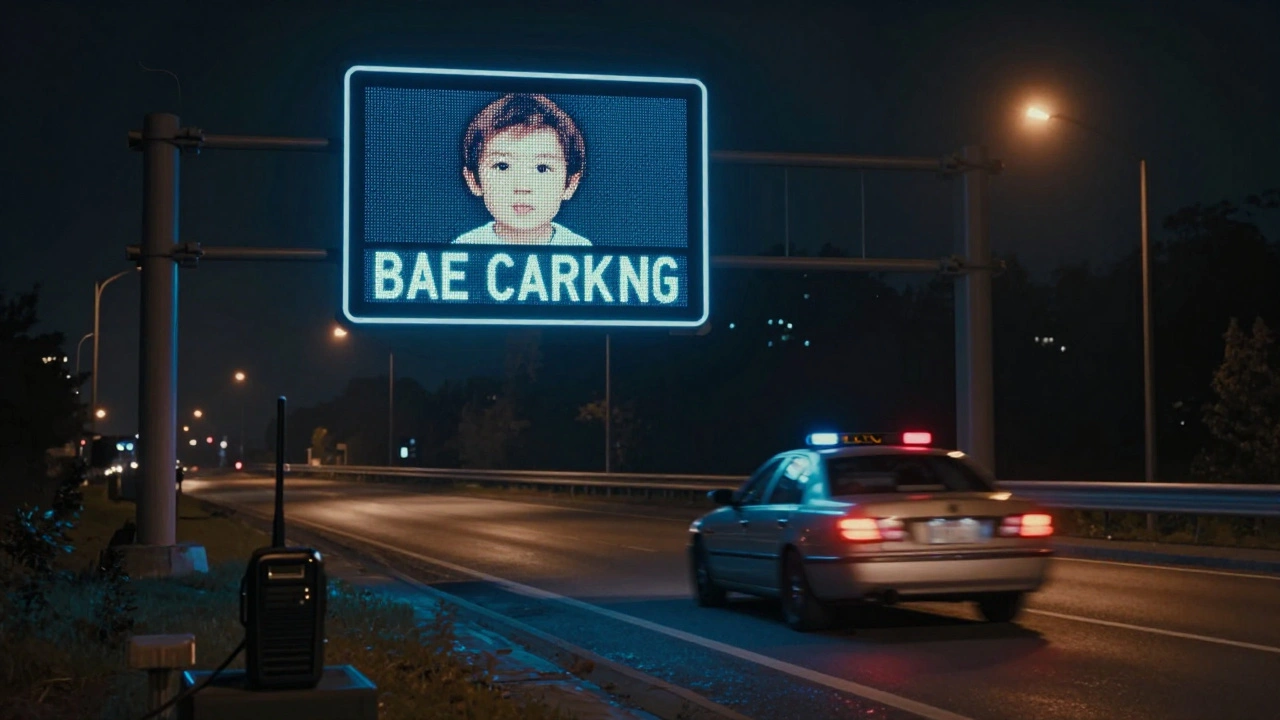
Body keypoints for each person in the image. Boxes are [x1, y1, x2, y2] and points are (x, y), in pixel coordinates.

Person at [453, 93, 591, 246]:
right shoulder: (464, 247)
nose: (522, 187)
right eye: (502, 166)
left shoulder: (579, 249)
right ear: (473, 181)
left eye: (542, 168)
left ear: (571, 183)